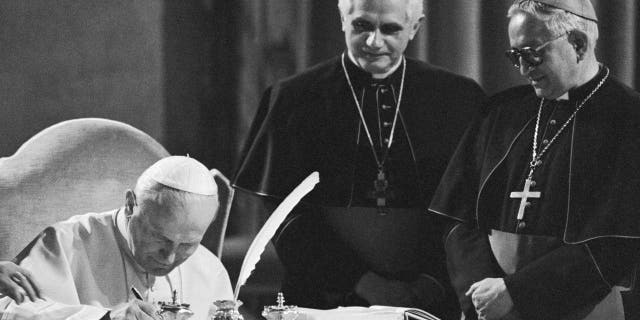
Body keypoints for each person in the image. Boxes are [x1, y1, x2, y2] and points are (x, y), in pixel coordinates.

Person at [233, 0, 485, 317]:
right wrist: (363, 281)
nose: (373, 42)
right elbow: (286, 218)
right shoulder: (293, 98)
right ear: (342, 19)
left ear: (415, 27)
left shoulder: (457, 98)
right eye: (362, 26)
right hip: (324, 296)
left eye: (390, 28)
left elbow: (467, 210)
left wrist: (431, 283)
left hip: (429, 297)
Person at [429, 1, 640, 319]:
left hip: (586, 308)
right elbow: (456, 217)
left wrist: (517, 293)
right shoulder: (499, 113)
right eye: (515, 56)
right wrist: (485, 292)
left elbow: (617, 244)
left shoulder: (630, 118)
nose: (523, 69)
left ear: (578, 44)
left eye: (532, 53)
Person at [0, 156, 233, 320]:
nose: (170, 256)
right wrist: (106, 318)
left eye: (188, 244)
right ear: (131, 204)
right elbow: (10, 311)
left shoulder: (209, 269)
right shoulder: (64, 243)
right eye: (159, 237)